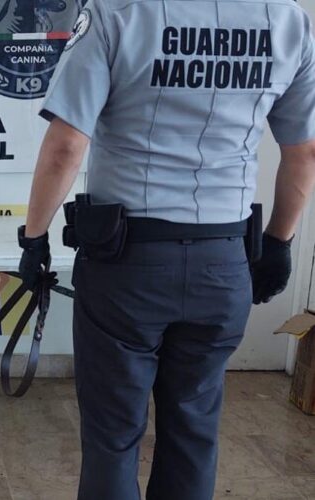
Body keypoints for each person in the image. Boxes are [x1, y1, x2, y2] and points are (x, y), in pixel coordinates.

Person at [17, 1, 315, 499]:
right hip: (224, 262)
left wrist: (33, 237)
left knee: (113, 437)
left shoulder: (118, 13)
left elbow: (67, 145)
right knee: (193, 431)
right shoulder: (286, 19)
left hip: (126, 267)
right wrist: (279, 242)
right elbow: (302, 151)